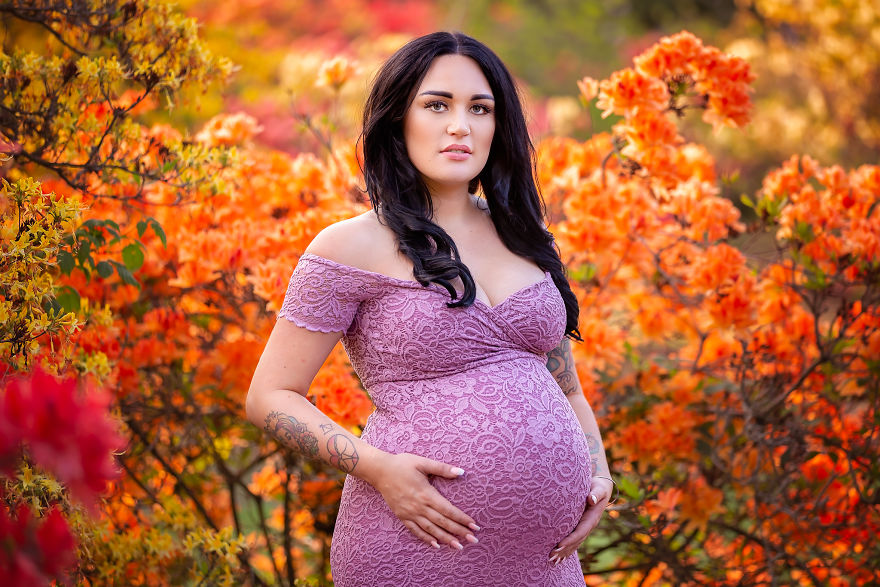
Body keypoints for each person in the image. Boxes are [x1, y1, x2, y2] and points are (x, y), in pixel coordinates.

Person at [246, 31, 614, 586]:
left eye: (480, 108)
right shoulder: (348, 246)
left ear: (499, 126)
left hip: (545, 563)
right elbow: (268, 396)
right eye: (437, 105)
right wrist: (379, 469)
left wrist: (597, 468)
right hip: (413, 544)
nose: (460, 125)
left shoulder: (525, 236)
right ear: (398, 119)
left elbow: (565, 387)